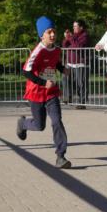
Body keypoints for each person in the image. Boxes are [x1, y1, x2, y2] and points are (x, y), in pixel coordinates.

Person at [17, 16, 71, 169]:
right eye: (49, 32)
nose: (53, 35)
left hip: (51, 92)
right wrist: (42, 83)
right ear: (42, 35)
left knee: (56, 120)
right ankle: (23, 123)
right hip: (36, 92)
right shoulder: (38, 51)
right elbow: (26, 72)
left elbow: (56, 63)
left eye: (54, 31)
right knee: (40, 126)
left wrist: (63, 69)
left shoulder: (56, 49)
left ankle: (61, 156)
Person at [61, 19, 91, 108]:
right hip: (70, 63)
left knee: (80, 83)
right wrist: (66, 38)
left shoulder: (84, 36)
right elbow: (64, 45)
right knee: (65, 79)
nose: (73, 28)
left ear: (81, 27)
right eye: (73, 26)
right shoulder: (73, 36)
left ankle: (82, 102)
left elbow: (77, 46)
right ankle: (68, 98)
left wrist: (70, 38)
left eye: (75, 26)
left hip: (80, 64)